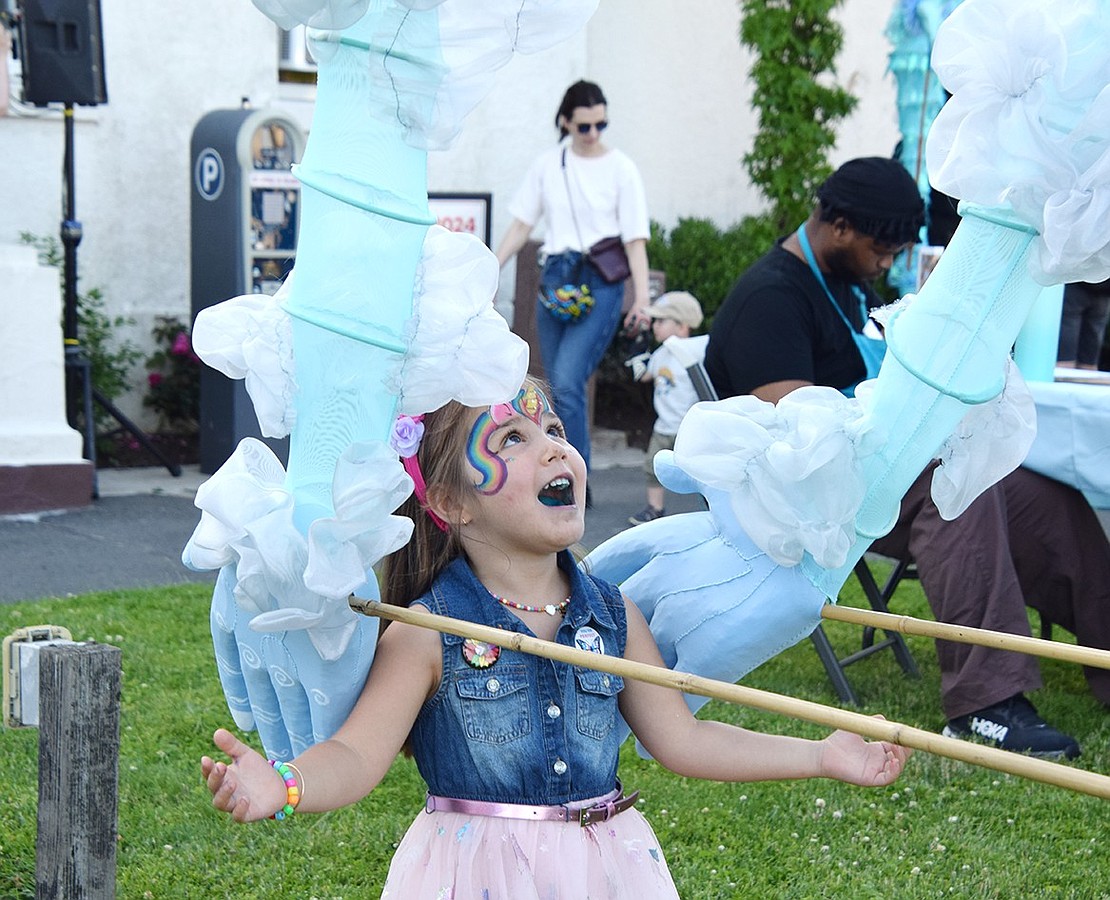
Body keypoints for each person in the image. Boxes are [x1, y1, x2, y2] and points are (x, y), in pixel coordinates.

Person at [202, 377, 911, 897]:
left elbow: (684, 740)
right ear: (449, 503)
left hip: (609, 871)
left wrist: (822, 754)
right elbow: (357, 755)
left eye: (556, 433)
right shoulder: (426, 631)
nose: (553, 451)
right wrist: (285, 785)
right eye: (513, 438)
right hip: (475, 875)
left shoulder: (613, 615)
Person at [705, 156, 1110, 759]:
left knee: (1037, 492)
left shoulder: (844, 286)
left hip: (882, 465)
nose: (887, 262)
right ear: (839, 226)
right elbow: (790, 428)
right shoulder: (769, 298)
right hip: (812, 492)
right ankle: (985, 704)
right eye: (883, 249)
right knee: (956, 492)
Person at [495, 80, 652, 472]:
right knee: (554, 383)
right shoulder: (549, 165)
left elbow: (635, 241)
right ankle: (558, 471)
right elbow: (520, 226)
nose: (594, 134)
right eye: (584, 126)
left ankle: (574, 472)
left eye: (602, 124)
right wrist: (489, 269)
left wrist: (644, 300)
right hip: (556, 278)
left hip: (600, 281)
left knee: (567, 380)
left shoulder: (621, 169)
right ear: (565, 122)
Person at [626, 290, 707, 525]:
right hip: (663, 426)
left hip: (689, 428)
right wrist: (636, 355)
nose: (655, 326)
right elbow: (645, 376)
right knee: (653, 467)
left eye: (661, 321)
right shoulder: (661, 353)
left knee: (702, 472)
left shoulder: (696, 352)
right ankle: (655, 508)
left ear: (682, 327)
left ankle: (710, 510)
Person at [1057, 278, 1110, 369]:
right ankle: (1087, 374)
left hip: (1075, 285)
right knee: (1093, 334)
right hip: (1103, 289)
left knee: (1068, 327)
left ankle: (1064, 373)